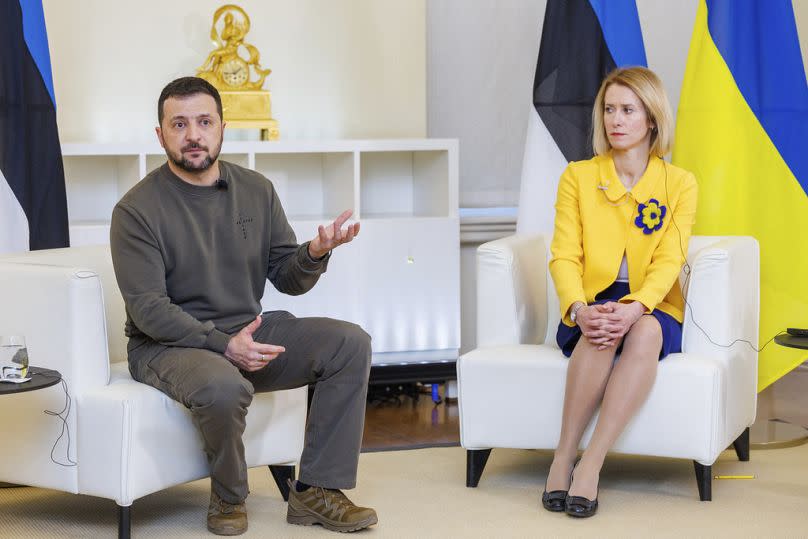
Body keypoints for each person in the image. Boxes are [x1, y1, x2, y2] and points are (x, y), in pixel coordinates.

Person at [110, 76, 378, 536]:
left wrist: (315, 252)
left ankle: (317, 491)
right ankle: (229, 498)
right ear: (160, 135)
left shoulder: (256, 189)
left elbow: (287, 278)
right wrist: (223, 345)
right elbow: (149, 310)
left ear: (221, 127)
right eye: (179, 124)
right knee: (223, 386)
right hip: (166, 346)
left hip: (247, 331)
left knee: (349, 344)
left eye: (203, 122)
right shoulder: (136, 210)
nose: (193, 134)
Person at [542, 66, 698, 518]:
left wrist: (635, 309)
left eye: (628, 110)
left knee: (644, 333)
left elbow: (670, 259)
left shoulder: (680, 183)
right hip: (591, 297)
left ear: (651, 119)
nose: (616, 120)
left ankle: (591, 464)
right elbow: (563, 254)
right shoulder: (578, 176)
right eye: (609, 109)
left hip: (654, 302)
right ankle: (562, 455)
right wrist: (577, 307)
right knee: (598, 329)